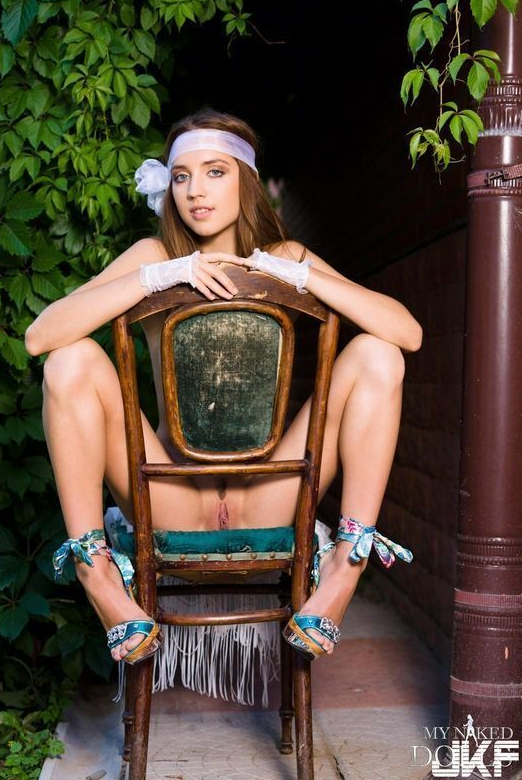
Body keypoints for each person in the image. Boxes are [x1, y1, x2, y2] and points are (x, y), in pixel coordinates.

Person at [25, 107, 422, 675]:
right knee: (71, 360)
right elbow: (41, 337)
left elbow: (407, 333)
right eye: (181, 176)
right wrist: (160, 277)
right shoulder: (154, 257)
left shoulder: (285, 257)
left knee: (378, 354)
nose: (195, 191)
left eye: (215, 172)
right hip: (169, 496)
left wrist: (299, 278)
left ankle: (345, 567)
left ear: (245, 181)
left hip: (272, 490)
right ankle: (97, 573)